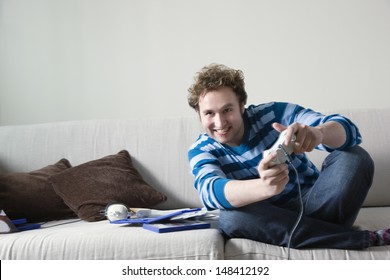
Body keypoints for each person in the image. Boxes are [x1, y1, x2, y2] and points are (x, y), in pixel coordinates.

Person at [187, 63, 389, 251]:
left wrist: (318, 133)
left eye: (227, 110)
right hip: (270, 219)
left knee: (355, 156)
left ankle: (319, 234)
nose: (219, 122)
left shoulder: (273, 114)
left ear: (241, 105)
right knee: (229, 219)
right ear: (199, 114)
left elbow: (349, 131)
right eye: (209, 113)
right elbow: (210, 192)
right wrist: (264, 187)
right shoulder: (201, 150)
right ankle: (361, 238)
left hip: (319, 204)